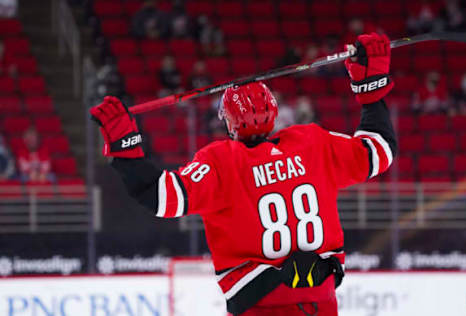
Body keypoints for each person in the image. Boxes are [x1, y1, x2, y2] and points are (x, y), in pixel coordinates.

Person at [90, 33, 396, 316]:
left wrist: (125, 147)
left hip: (258, 306)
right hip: (320, 302)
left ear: (228, 122)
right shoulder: (312, 143)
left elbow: (158, 195)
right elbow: (379, 151)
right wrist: (371, 89)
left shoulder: (222, 162)